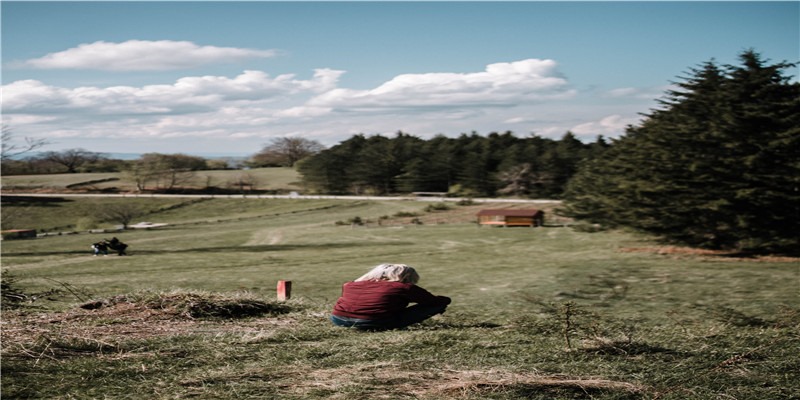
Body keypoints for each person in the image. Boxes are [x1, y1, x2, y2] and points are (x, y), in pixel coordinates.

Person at [330, 263, 451, 330]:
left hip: (338, 319)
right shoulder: (403, 287)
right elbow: (433, 301)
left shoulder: (350, 284)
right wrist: (444, 301)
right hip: (374, 322)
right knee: (438, 304)